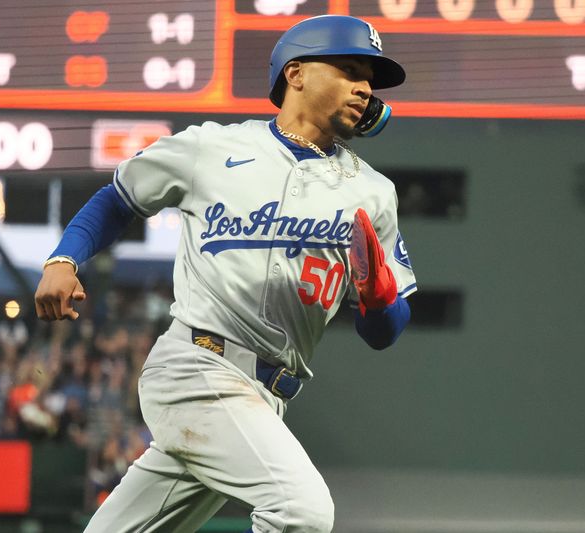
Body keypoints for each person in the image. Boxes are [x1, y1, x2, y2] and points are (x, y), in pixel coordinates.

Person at [35, 15, 417, 533]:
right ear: (297, 73)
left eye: (370, 77)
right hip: (197, 367)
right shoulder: (210, 148)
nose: (365, 87)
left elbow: (385, 333)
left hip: (266, 396)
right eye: (350, 69)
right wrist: (64, 259)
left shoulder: (373, 193)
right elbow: (117, 199)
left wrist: (378, 297)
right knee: (301, 513)